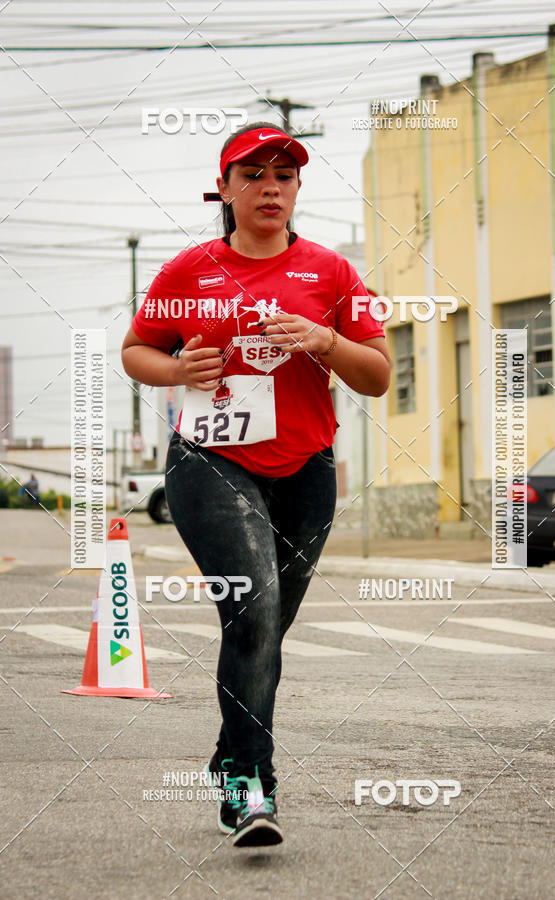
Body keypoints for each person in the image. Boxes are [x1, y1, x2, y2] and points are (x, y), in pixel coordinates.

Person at [121, 121, 391, 847]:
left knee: (267, 625)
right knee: (253, 615)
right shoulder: (189, 272)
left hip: (306, 470)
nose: (271, 188)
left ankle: (229, 752)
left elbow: (378, 375)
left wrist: (326, 340)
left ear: (297, 189)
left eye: (285, 175)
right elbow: (136, 350)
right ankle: (249, 785)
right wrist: (176, 369)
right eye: (254, 175)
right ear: (225, 188)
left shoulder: (332, 273)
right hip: (210, 463)